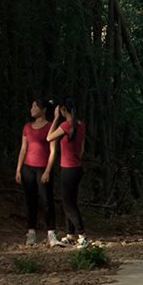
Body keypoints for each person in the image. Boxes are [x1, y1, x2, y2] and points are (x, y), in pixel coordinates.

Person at [15, 98, 65, 247]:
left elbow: (53, 150)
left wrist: (48, 170)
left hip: (42, 168)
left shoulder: (50, 127)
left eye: (35, 106)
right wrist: (18, 168)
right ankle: (31, 232)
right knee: (31, 201)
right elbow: (23, 149)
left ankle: (51, 233)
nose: (32, 109)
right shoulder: (27, 127)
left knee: (47, 201)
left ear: (43, 110)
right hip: (27, 168)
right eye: (32, 106)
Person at [47, 98, 89, 248]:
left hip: (68, 169)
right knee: (70, 201)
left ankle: (82, 234)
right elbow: (82, 149)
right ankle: (70, 234)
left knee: (69, 203)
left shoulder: (65, 125)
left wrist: (56, 118)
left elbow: (49, 137)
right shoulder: (81, 125)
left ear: (63, 109)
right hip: (77, 167)